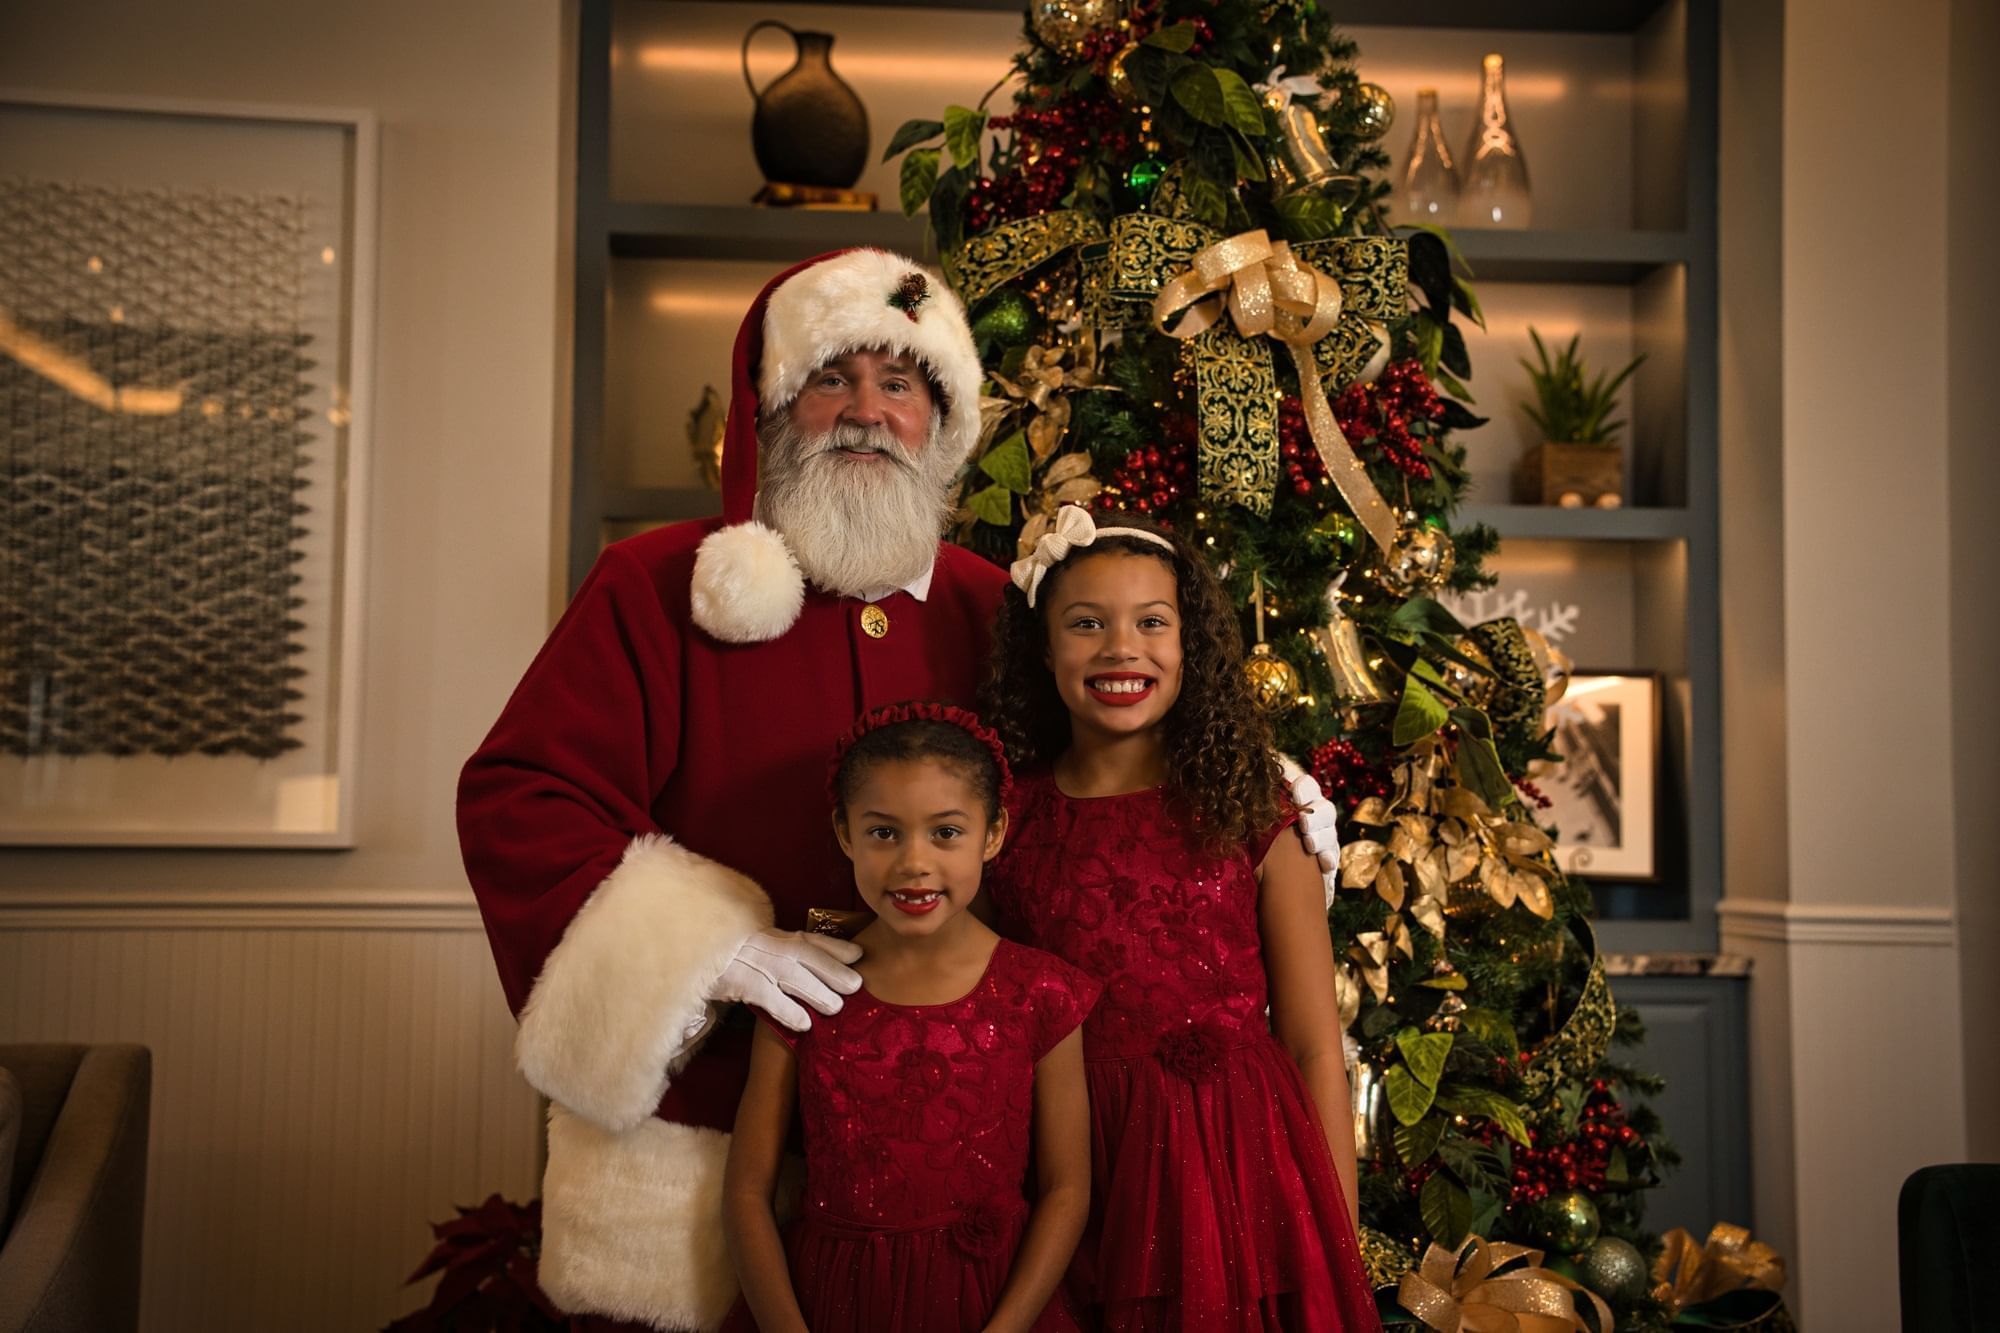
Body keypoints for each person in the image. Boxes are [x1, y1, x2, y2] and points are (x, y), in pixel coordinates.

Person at [457, 248, 1342, 1332]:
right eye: (833, 377)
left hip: (956, 1147)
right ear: (775, 408)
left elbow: (1099, 746)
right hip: (711, 1123)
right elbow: (519, 800)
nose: (868, 412)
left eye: (902, 385)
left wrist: (1258, 788)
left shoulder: (994, 606)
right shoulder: (656, 588)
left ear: (944, 423)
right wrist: (707, 951)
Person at [981, 504, 1383, 1333]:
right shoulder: (1006, 819)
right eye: (1086, 623)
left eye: (1151, 622)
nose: (1120, 647)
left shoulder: (1255, 810)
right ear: (1044, 647)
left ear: (1189, 644)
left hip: (1235, 1167)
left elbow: (1313, 1039)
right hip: (1075, 1164)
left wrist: (1335, 1234)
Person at [722, 703, 1096, 1333]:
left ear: (994, 832)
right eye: (883, 832)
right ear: (845, 833)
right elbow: (746, 1194)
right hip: (833, 1302)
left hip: (993, 1301)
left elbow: (1067, 1190)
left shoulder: (1042, 992)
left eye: (946, 832)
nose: (913, 862)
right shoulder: (802, 990)